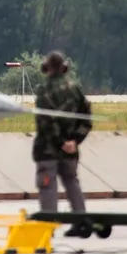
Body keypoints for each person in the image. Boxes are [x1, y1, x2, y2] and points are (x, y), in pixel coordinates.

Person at [32, 50, 93, 238]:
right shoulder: (75, 89)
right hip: (70, 151)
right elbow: (86, 119)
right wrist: (74, 141)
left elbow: (45, 122)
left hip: (48, 150)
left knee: (48, 186)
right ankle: (81, 222)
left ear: (47, 67)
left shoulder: (43, 90)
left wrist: (60, 142)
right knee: (72, 183)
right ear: (64, 67)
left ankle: (47, 228)